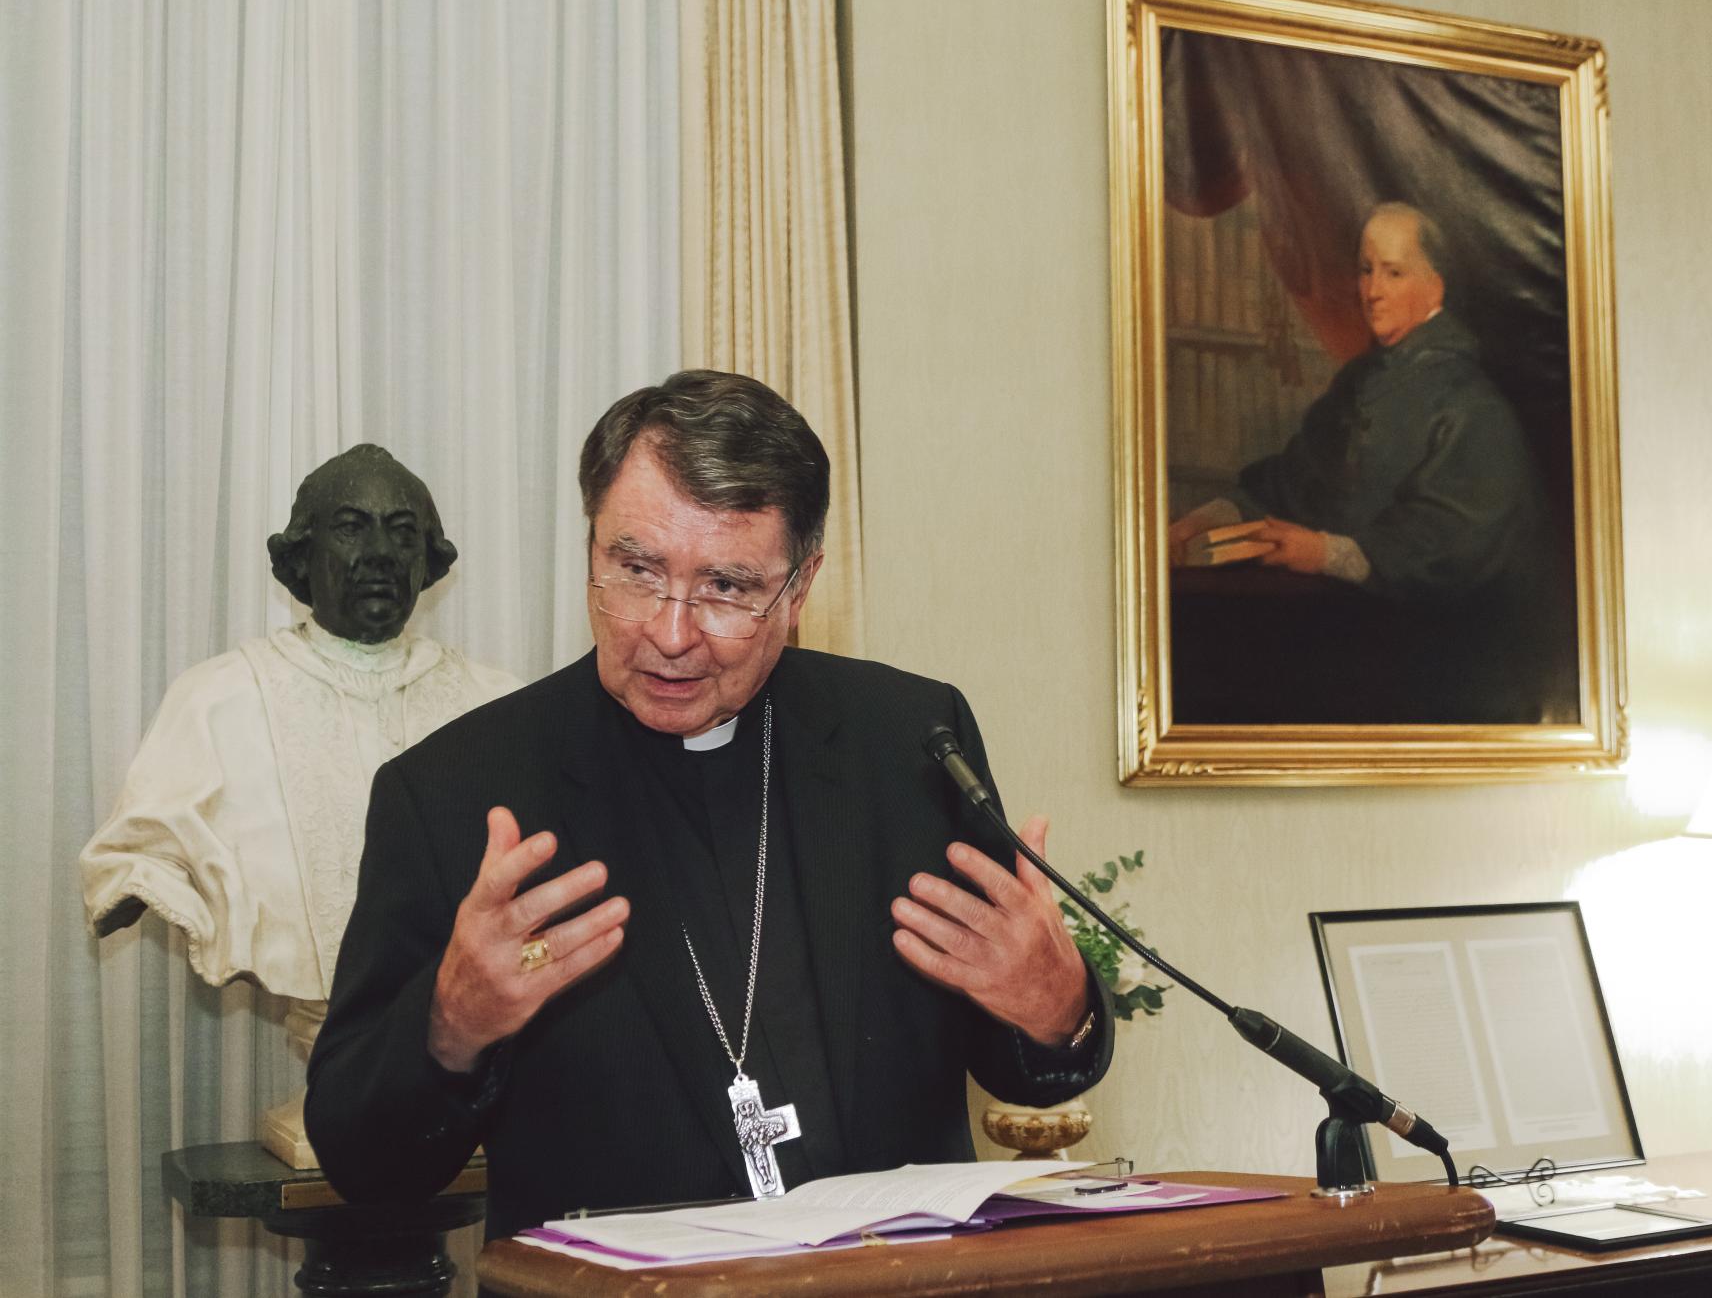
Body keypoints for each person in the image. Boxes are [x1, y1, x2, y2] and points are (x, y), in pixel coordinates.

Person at [304, 371, 1111, 1240]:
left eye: (726, 586)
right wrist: (450, 1025)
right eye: (637, 569)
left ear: (799, 589)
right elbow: (364, 1163)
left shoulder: (909, 742)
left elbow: (1033, 1068)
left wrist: (1056, 1004)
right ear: (592, 549)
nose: (672, 631)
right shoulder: (455, 791)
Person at [79, 443, 518, 1006]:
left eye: (403, 532)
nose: (381, 552)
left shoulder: (496, 704)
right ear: (301, 558)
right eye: (352, 528)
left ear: (428, 561)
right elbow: (133, 858)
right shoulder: (216, 701)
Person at [1168, 202, 1562, 721]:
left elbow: (1452, 547)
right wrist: (1209, 518)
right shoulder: (1360, 383)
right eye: (1366, 269)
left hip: (1442, 669)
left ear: (1436, 287)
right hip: (1345, 633)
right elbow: (1293, 478)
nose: (1372, 290)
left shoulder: (1472, 407)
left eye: (1394, 273)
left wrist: (1324, 552)